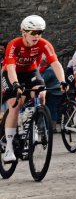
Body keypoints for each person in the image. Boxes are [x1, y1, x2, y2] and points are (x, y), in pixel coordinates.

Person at [3, 16, 68, 163]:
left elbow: (55, 63)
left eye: (40, 32)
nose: (37, 36)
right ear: (24, 33)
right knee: (15, 106)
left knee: (42, 93)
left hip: (30, 72)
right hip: (11, 73)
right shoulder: (14, 44)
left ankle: (37, 122)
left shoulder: (44, 44)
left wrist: (62, 81)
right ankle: (9, 149)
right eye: (33, 32)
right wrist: (16, 84)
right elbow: (11, 67)